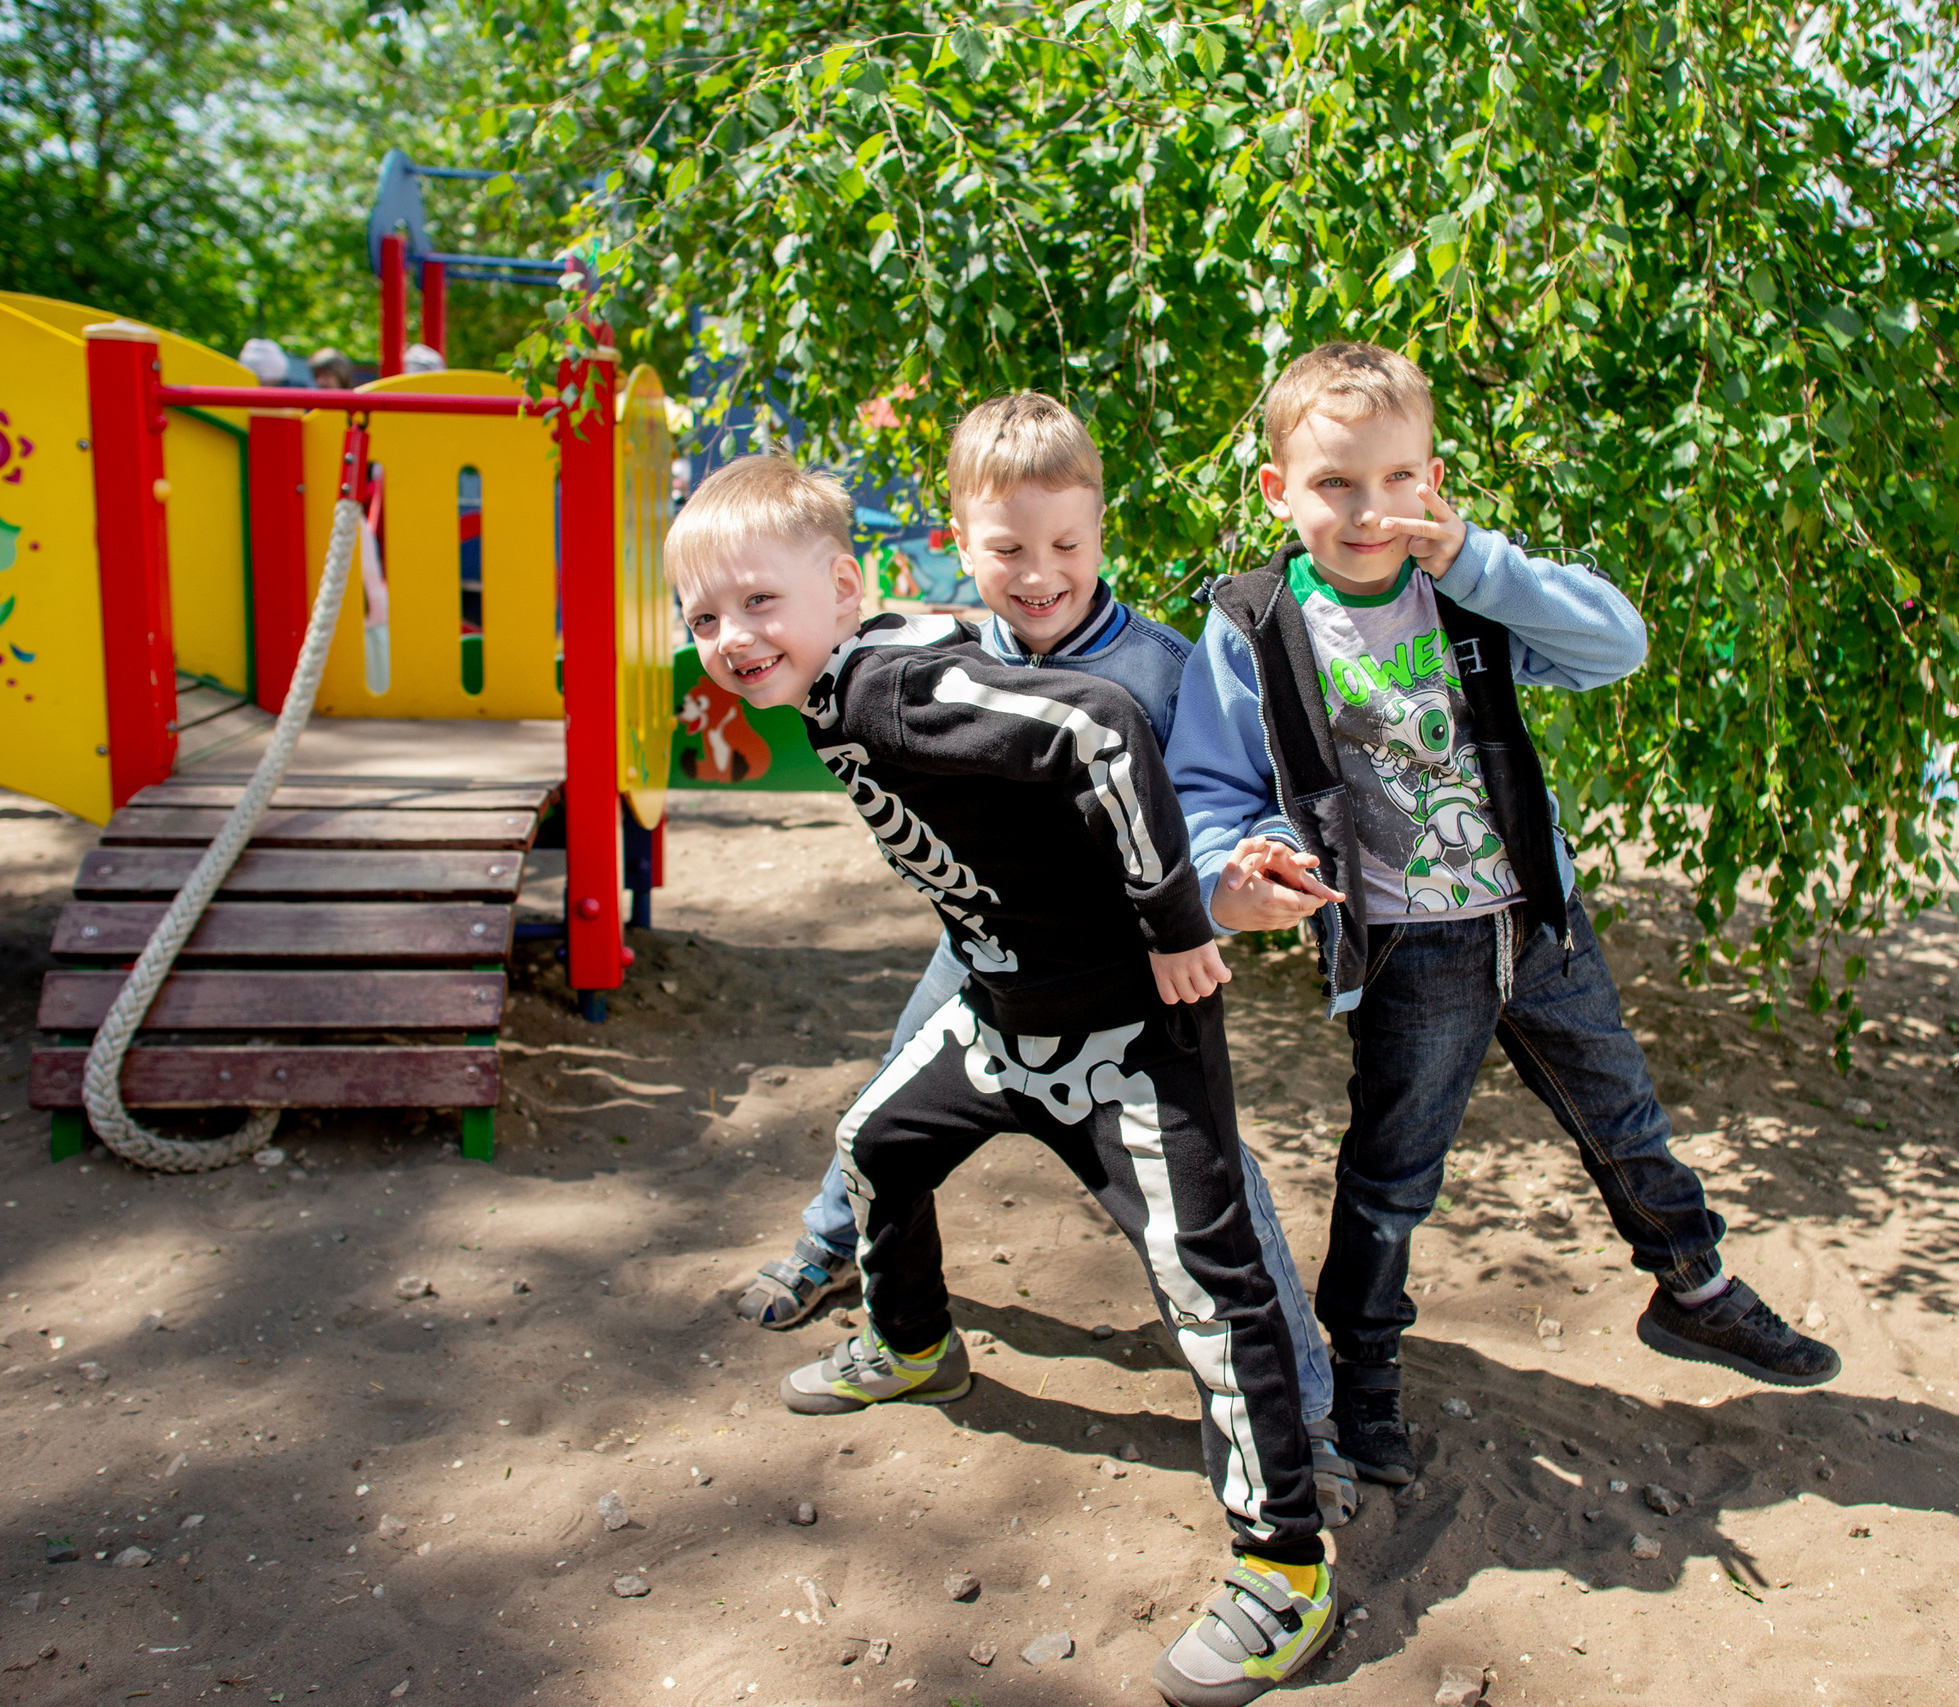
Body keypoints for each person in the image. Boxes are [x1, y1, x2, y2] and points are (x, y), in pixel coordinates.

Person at [669, 453, 1336, 1707]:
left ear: (839, 587)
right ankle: (914, 1343)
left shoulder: (880, 688)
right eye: (703, 618)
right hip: (994, 1014)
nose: (730, 637)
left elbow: (1098, 723)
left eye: (758, 604)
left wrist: (1179, 922)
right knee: (875, 1146)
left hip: (1129, 1038)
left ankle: (1286, 1570)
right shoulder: (859, 668)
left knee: (1207, 1281)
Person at [1166, 341, 1842, 1489]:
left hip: (1534, 922)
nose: (1369, 511)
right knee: (1392, 1172)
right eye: (1334, 484)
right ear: (1279, 493)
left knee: (1622, 1115)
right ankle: (1367, 1373)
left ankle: (1695, 1287)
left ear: (1432, 481)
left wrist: (1483, 559)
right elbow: (1206, 789)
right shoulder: (1253, 630)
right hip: (1410, 953)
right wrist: (1240, 863)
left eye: (1395, 481)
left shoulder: (1470, 594)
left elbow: (1613, 645)